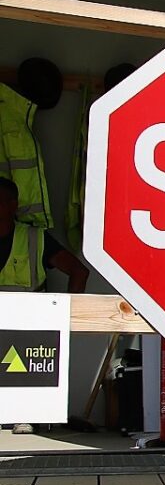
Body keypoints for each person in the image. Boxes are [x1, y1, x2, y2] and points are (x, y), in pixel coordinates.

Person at [1, 176, 88, 434]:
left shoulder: (34, 238)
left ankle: (25, 414)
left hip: (26, 329)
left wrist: (67, 316)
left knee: (24, 363)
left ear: (13, 205)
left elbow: (79, 272)